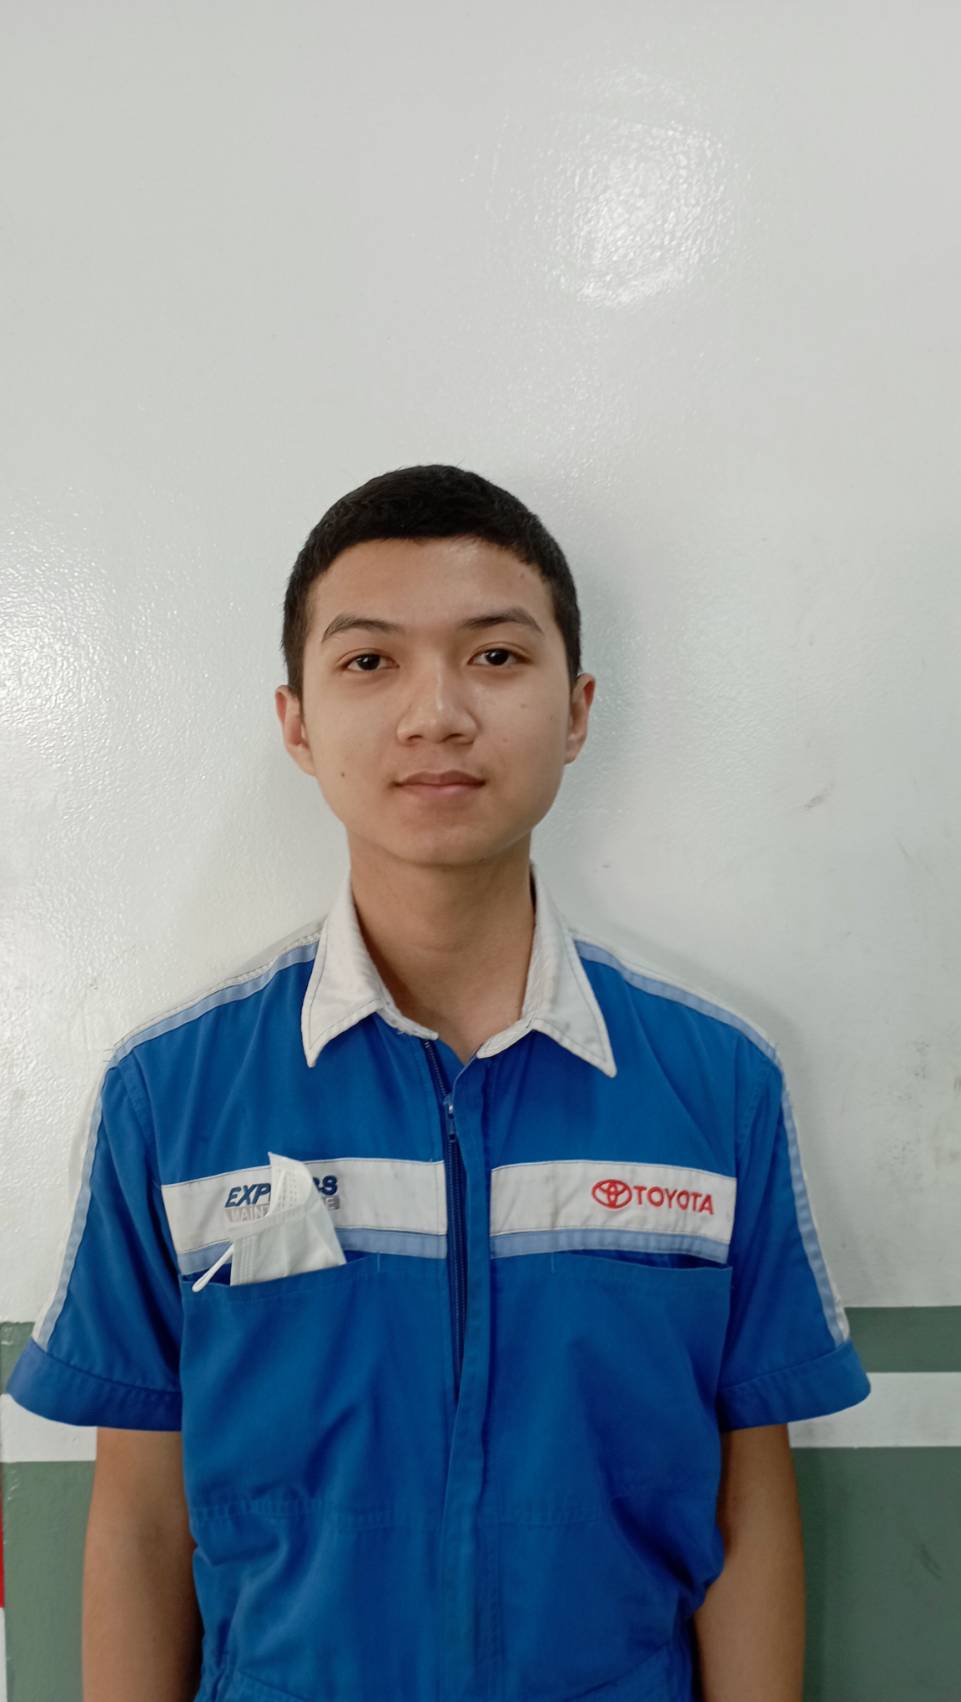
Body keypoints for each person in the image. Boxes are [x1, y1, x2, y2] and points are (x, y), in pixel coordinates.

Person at [8, 462, 871, 1702]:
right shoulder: (174, 1095)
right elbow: (142, 1527)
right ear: (297, 723)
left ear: (575, 711)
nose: (436, 713)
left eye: (495, 657)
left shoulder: (714, 1086)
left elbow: (747, 1503)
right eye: (370, 661)